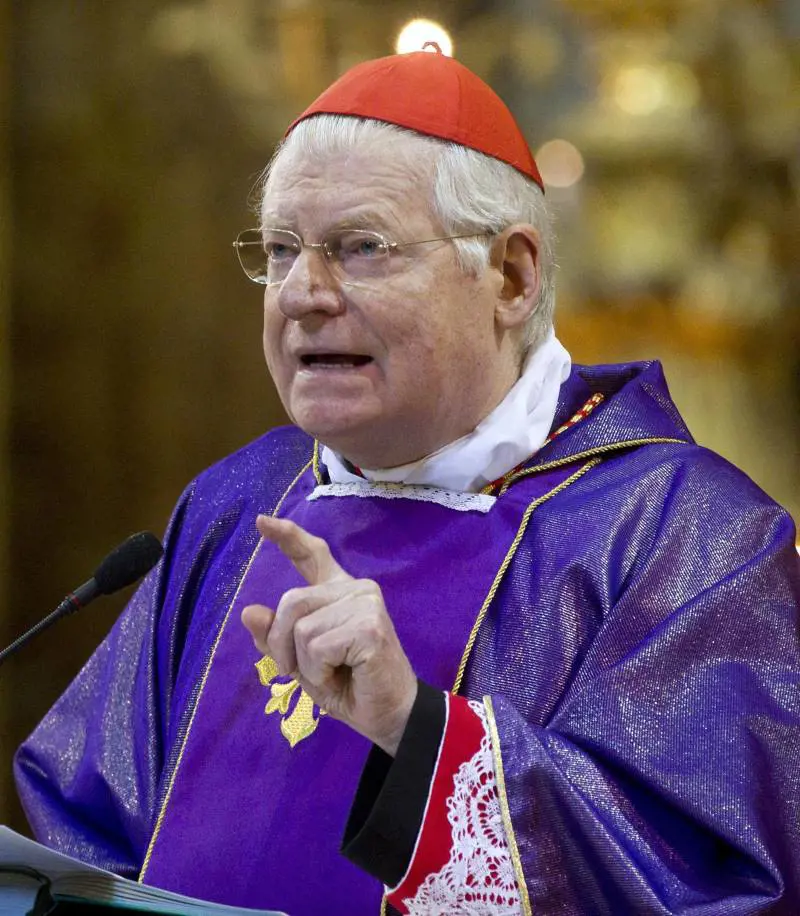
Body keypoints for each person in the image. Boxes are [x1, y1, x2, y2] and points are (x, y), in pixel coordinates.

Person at [14, 46, 800, 916]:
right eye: (280, 250)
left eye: (361, 248)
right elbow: (83, 835)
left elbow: (715, 882)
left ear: (511, 276)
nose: (302, 294)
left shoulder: (686, 538)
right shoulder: (236, 503)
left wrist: (416, 730)